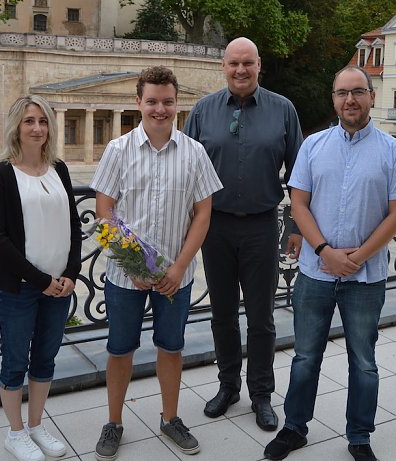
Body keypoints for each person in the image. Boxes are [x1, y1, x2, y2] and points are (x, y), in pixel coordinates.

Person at [264, 65, 396, 461]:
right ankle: (294, 428)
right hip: (315, 272)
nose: (350, 100)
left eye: (358, 92)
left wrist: (358, 258)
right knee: (305, 356)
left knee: (363, 361)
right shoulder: (313, 145)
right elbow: (298, 202)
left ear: (372, 96)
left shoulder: (393, 150)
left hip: (366, 278)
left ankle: (360, 437)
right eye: (342, 93)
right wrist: (324, 252)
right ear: (333, 99)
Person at [90, 66, 222, 461]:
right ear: (138, 103)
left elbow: (203, 213)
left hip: (174, 278)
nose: (160, 109)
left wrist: (180, 266)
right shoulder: (118, 149)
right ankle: (113, 423)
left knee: (171, 347)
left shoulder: (194, 152)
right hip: (124, 276)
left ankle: (170, 418)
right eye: (152, 101)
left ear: (176, 103)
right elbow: (104, 211)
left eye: (167, 101)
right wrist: (130, 263)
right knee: (120, 349)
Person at [182, 36, 303, 431]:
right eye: (233, 63)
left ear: (258, 64)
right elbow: (184, 171)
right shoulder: (202, 111)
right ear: (223, 66)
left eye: (247, 63)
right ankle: (228, 386)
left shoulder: (283, 110)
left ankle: (262, 394)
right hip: (213, 226)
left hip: (261, 225)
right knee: (221, 314)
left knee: (262, 317)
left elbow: (300, 176)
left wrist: (297, 226)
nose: (240, 70)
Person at [0, 95, 82, 461]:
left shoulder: (59, 167)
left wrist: (71, 274)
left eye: (43, 121)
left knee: (45, 358)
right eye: (29, 121)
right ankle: (15, 433)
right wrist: (41, 279)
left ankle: (37, 425)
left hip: (60, 287)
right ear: (17, 126)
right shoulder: (1, 174)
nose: (37, 128)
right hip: (20, 288)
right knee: (15, 361)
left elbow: (73, 224)